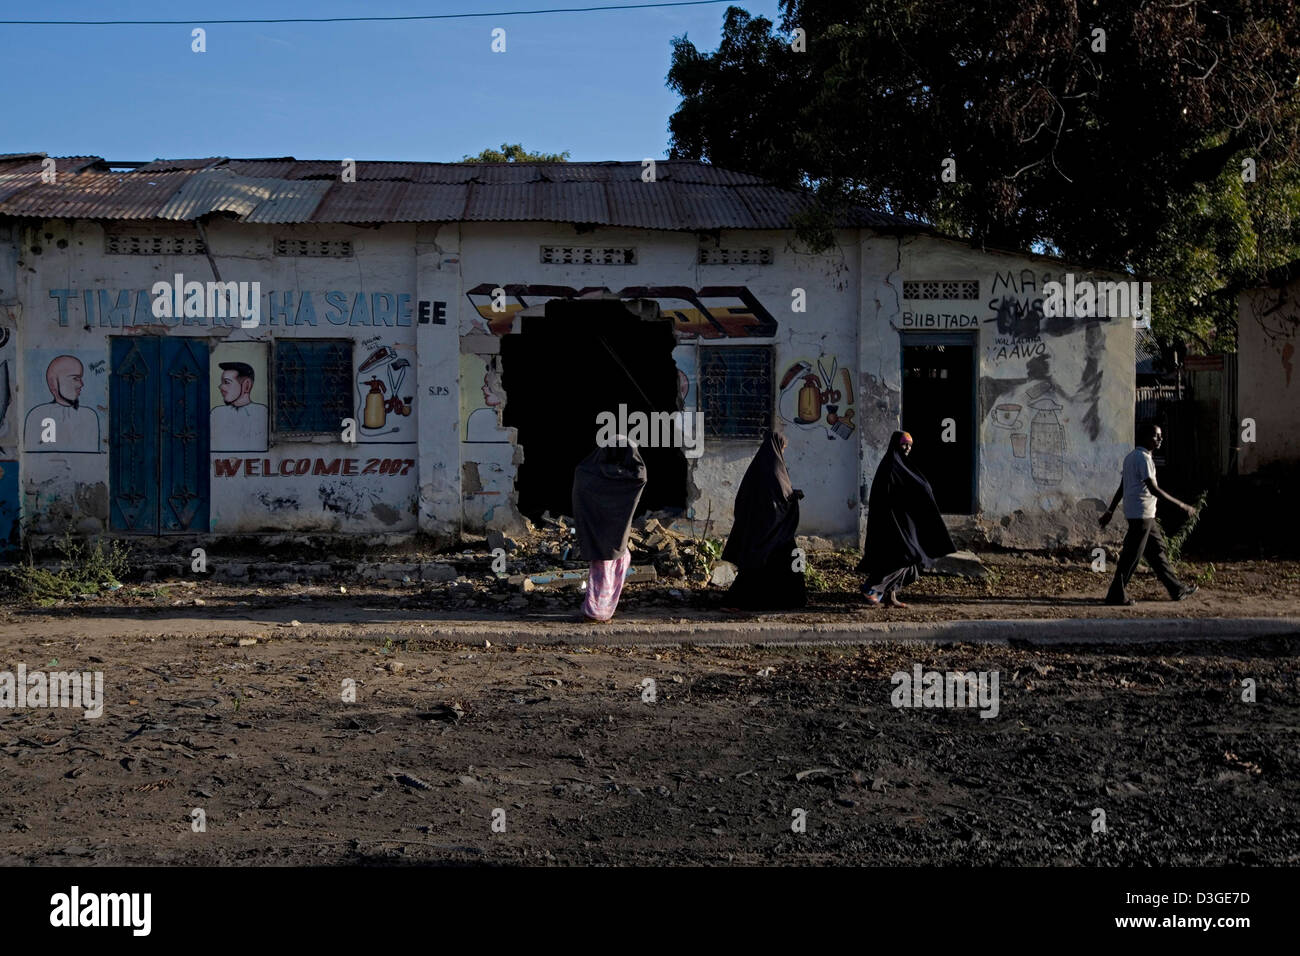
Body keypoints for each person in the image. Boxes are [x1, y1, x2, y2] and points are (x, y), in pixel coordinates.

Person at [1099, 423, 1198, 605]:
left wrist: (1111, 510)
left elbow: (1123, 487)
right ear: (1145, 437)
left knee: (1157, 553)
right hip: (1141, 515)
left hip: (1143, 515)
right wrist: (1182, 505)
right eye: (1156, 436)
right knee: (1131, 556)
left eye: (1160, 436)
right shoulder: (1143, 459)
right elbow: (1154, 489)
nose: (1160, 439)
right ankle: (1115, 595)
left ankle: (1176, 589)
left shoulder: (1131, 458)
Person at [857, 431, 955, 607]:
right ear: (895, 444)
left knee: (903, 559)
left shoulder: (899, 465)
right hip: (891, 523)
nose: (907, 448)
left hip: (900, 522)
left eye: (909, 445)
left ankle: (890, 597)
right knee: (907, 556)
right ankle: (871, 589)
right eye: (904, 444)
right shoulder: (891, 466)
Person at [720, 429, 808, 610]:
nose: (783, 452)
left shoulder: (758, 468)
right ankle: (786, 601)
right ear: (777, 447)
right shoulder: (775, 469)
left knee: (756, 569)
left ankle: (741, 601)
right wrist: (794, 497)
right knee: (786, 566)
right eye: (783, 448)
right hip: (773, 533)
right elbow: (779, 498)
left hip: (760, 532)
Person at [572, 437, 647, 622]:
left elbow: (580, 498)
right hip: (616, 535)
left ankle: (596, 608)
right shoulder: (629, 478)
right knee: (614, 567)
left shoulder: (586, 471)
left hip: (593, 532)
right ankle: (598, 610)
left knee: (600, 570)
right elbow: (641, 473)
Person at [24, 354, 101, 453]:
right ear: (53, 383)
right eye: (75, 378)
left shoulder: (89, 416)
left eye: (80, 378)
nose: (81, 384)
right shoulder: (36, 415)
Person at [211, 361, 268, 451]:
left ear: (246, 385)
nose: (221, 387)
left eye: (226, 382)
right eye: (222, 382)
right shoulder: (216, 413)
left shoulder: (262, 412)